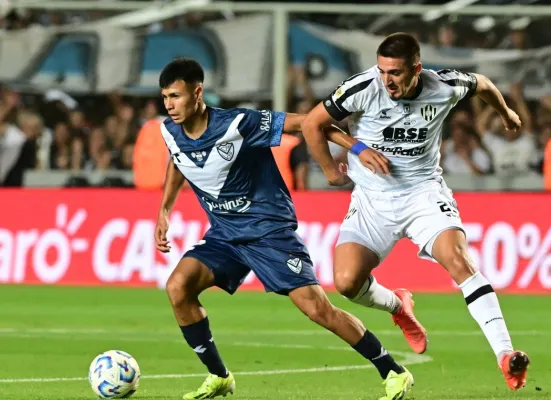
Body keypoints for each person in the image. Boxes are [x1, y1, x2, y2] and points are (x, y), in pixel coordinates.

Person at [155, 58, 413, 400]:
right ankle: (219, 377)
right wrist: (165, 209)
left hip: (267, 232)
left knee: (317, 309)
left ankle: (393, 371)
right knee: (178, 287)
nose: (170, 105)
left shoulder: (239, 123)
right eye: (165, 98)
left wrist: (357, 147)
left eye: (176, 96)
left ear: (198, 92)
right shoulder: (168, 130)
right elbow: (178, 158)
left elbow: (309, 123)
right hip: (225, 234)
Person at [301, 32, 530, 391]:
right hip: (372, 200)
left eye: (395, 72)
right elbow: (312, 123)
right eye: (382, 71)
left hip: (423, 195)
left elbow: (483, 83)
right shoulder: (362, 88)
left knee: (459, 261)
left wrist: (506, 112)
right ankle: (398, 306)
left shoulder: (445, 85)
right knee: (346, 283)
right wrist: (338, 165)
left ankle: (506, 354)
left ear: (416, 69)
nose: (387, 80)